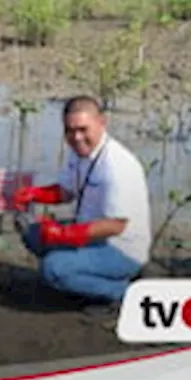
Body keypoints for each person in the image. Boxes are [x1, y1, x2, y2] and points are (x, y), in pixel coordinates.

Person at [13, 95, 152, 315]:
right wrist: (35, 194)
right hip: (93, 234)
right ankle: (86, 282)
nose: (76, 137)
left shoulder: (118, 166)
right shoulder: (80, 153)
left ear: (102, 123)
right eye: (69, 130)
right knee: (32, 233)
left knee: (53, 269)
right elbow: (66, 191)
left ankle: (124, 292)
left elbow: (116, 226)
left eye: (83, 129)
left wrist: (64, 234)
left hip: (120, 248)